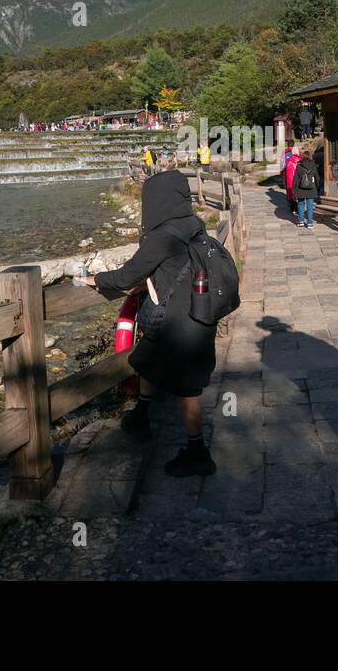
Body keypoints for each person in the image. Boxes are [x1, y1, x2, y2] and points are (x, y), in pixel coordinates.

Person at [81, 170, 217, 477]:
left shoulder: (162, 235)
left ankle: (198, 454)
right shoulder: (193, 224)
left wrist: (90, 280)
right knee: (144, 360)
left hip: (179, 321)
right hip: (197, 311)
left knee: (186, 390)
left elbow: (126, 277)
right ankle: (141, 414)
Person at [289, 142, 320, 228]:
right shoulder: (314, 166)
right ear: (310, 157)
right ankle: (309, 223)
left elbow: (295, 179)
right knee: (310, 206)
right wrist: (317, 186)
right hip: (311, 189)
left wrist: (294, 191)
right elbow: (317, 178)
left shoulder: (299, 166)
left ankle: (300, 221)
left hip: (301, 188)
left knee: (301, 204)